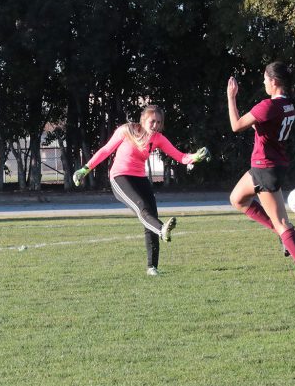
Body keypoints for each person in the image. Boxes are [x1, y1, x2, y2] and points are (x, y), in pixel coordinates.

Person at [73, 105, 209, 276]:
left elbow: (180, 156)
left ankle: (152, 267)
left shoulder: (158, 138)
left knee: (150, 214)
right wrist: (85, 169)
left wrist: (196, 156)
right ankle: (161, 230)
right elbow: (106, 150)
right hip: (119, 177)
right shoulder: (126, 130)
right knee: (141, 207)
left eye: (159, 122)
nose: (156, 125)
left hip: (140, 178)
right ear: (143, 120)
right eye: (152, 121)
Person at [226, 62, 295, 285]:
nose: (264, 83)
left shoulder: (268, 106)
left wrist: (231, 97)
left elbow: (236, 126)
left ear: (274, 82)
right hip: (270, 164)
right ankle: (283, 238)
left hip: (265, 166)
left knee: (281, 222)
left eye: (265, 79)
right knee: (237, 199)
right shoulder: (289, 105)